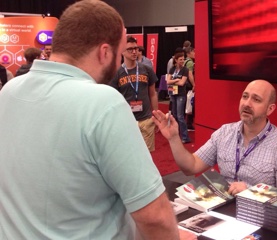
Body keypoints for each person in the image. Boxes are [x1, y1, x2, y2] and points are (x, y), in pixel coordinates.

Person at [0, 1, 195, 239]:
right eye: (122, 50)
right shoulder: (103, 102)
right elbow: (154, 218)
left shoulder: (9, 92)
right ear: (105, 52)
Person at [153, 79, 277, 195]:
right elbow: (191, 166)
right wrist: (173, 138)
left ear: (270, 109)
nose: (247, 104)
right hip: (221, 212)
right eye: (245, 96)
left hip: (260, 220)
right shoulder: (225, 133)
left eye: (256, 99)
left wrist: (252, 192)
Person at [109, 36, 158, 152]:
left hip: (146, 120)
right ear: (122, 52)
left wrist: (156, 115)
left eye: (136, 48)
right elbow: (113, 99)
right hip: (127, 121)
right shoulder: (117, 73)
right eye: (130, 49)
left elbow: (153, 94)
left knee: (148, 156)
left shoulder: (147, 69)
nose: (134, 51)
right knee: (128, 154)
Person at [166, 51, 191, 144]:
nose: (182, 61)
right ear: (176, 60)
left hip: (181, 94)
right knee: (175, 115)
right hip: (173, 93)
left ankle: (185, 137)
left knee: (180, 116)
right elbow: (168, 81)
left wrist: (173, 81)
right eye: (180, 59)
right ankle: (176, 135)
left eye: (183, 59)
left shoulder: (185, 70)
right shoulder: (172, 69)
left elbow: (182, 83)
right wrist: (176, 79)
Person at [184, 47, 195, 131]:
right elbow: (190, 74)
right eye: (193, 52)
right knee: (191, 103)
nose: (195, 53)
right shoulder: (190, 62)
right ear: (188, 53)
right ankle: (189, 124)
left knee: (186, 104)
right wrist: (194, 84)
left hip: (184, 85)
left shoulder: (184, 61)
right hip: (189, 86)